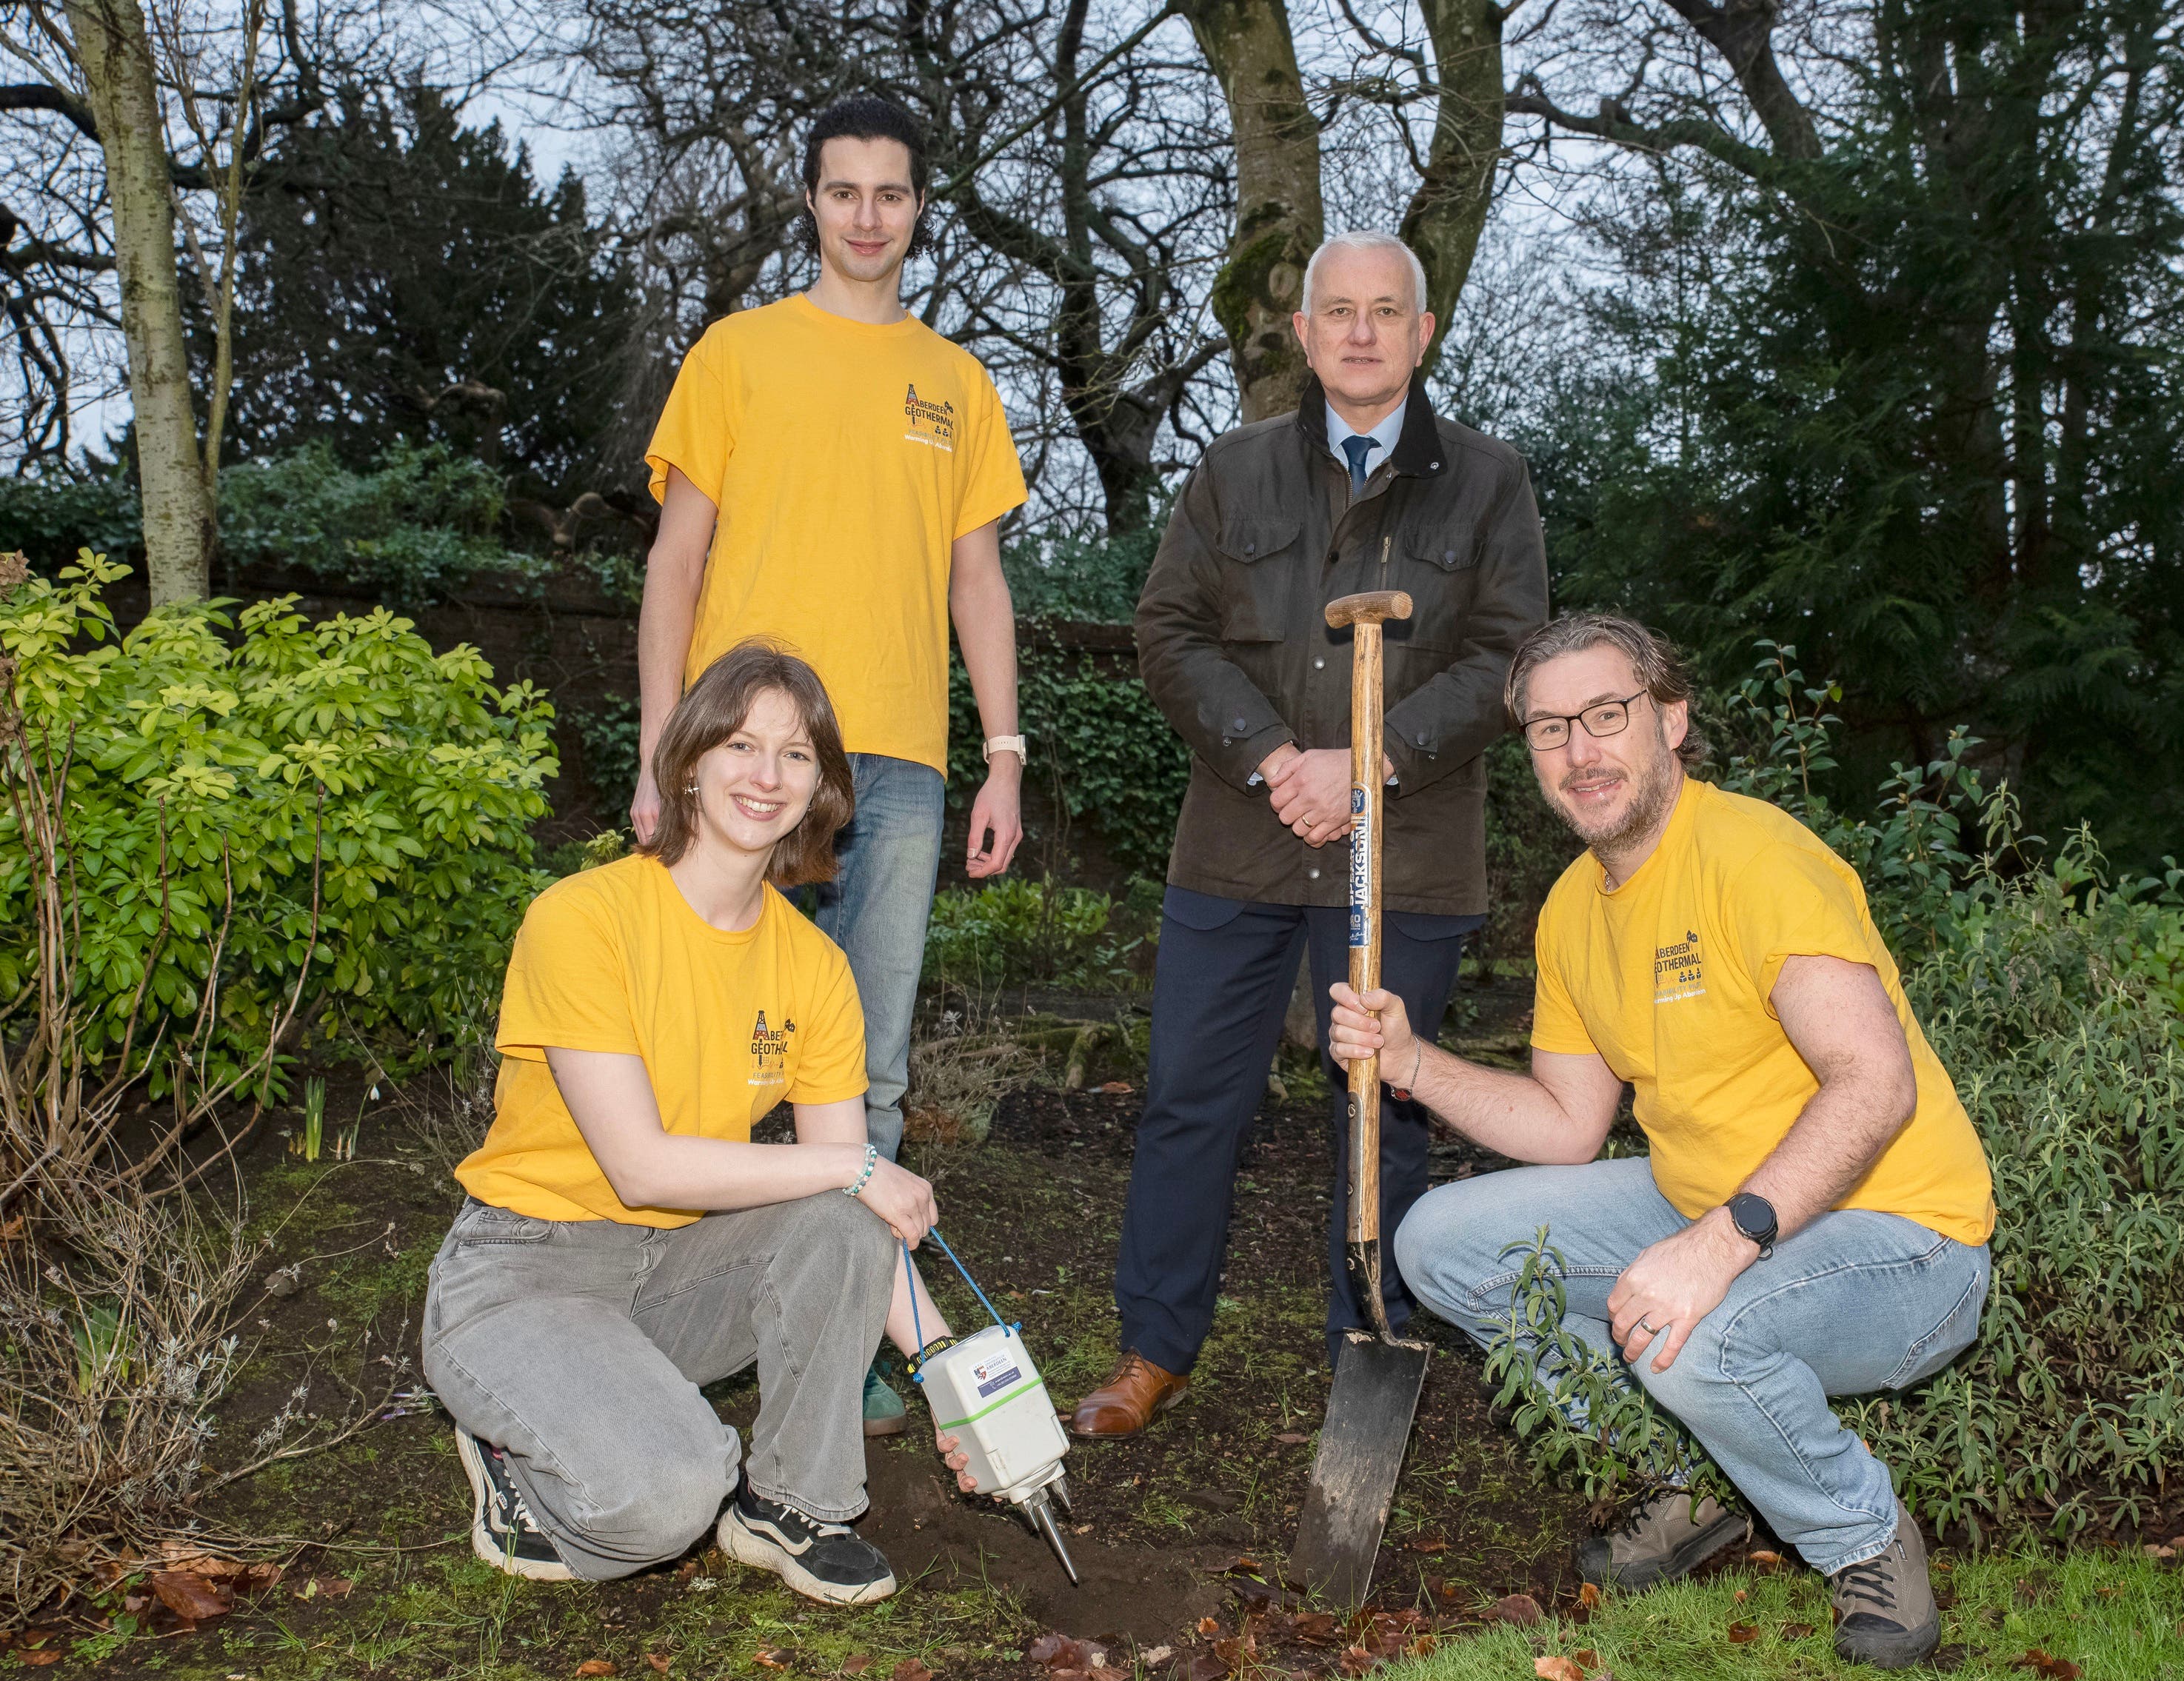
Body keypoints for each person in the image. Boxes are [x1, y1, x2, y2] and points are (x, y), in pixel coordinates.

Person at [1326, 613, 1996, 1670]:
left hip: (1905, 1242)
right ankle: (1691, 1476)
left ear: (1671, 720)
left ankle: (1864, 1539)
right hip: (1708, 1202)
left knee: (1696, 1324)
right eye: (1550, 729)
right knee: (1437, 1244)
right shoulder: (1571, 908)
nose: (1579, 751)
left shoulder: (1757, 859)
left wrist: (1716, 1245)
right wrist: (1411, 1061)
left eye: (1606, 714)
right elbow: (1566, 1125)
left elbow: (1875, 1085)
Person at [1072, 230, 1549, 1437]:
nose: (1360, 331)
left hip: (1408, 854)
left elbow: (1510, 656)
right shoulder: (1232, 470)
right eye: (1338, 310)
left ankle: (1367, 1342)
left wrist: (1371, 760)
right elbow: (1167, 630)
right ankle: (1153, 1346)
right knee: (1189, 1098)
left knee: (1383, 1104)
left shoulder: (1488, 481)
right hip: (1239, 840)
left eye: (1386, 311)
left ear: (1422, 332)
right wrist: (1276, 757)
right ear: (1302, 332)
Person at [424, 644, 983, 1604]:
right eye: (740, 744)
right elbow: (641, 1167)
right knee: (667, 1501)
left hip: (672, 1272)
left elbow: (850, 1206)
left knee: (842, 1214)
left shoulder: (813, 968)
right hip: (528, 1271)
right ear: (688, 762)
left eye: (796, 754)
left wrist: (955, 1379)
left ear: (821, 789)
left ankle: (792, 1502)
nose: (767, 775)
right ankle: (515, 1451)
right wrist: (853, 1167)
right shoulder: (584, 918)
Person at [633, 93, 1029, 1186]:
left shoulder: (960, 385)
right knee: (707, 1045)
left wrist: (1004, 759)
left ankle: (851, 1288)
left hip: (897, 762)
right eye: (844, 192)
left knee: (869, 1068)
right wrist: (660, 747)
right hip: (741, 754)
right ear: (810, 201)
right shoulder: (735, 353)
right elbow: (674, 563)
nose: (867, 216)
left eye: (889, 195)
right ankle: (690, 1277)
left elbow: (979, 585)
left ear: (918, 208)